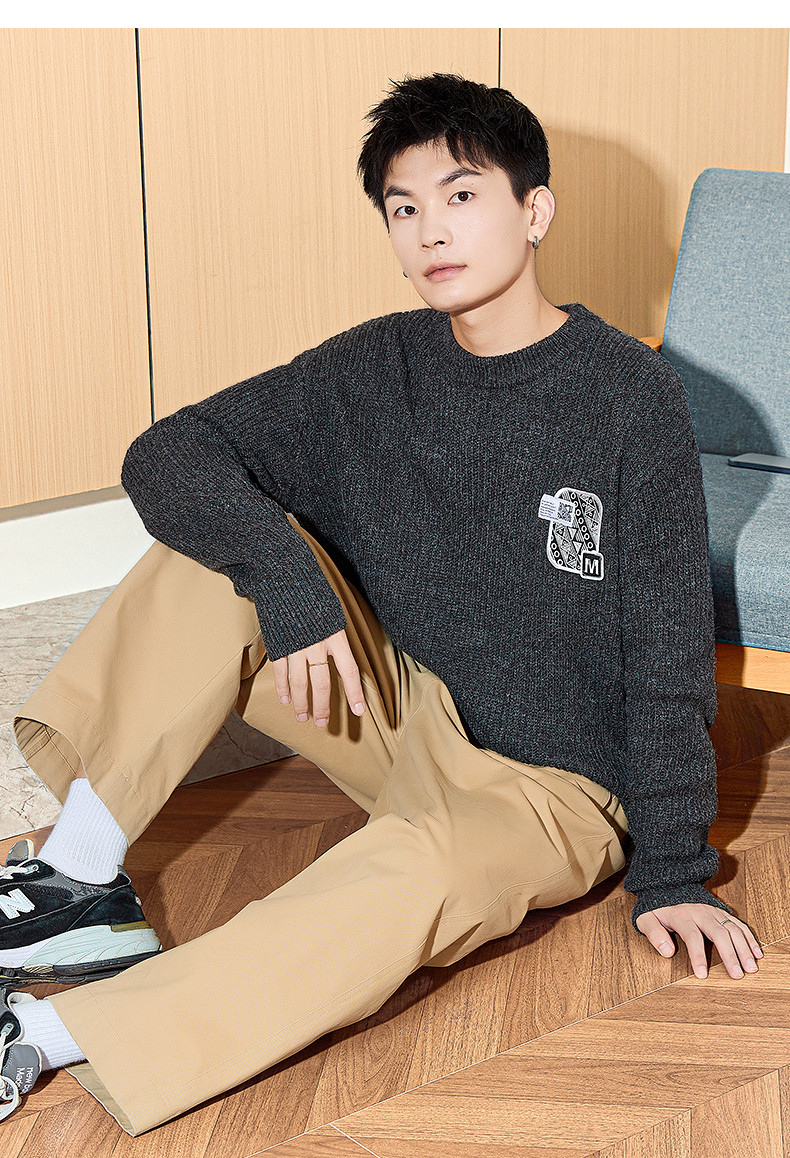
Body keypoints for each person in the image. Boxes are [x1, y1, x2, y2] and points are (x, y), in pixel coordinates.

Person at [1, 72, 762, 1134]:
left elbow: (670, 654)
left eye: (461, 196)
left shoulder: (630, 397)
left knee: (421, 870)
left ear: (534, 210)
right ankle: (79, 884)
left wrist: (673, 867)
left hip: (552, 790)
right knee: (210, 557)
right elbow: (167, 453)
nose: (429, 231)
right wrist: (290, 585)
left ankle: (43, 1036)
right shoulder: (375, 365)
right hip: (400, 715)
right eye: (403, 209)